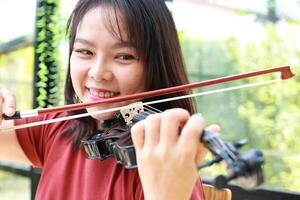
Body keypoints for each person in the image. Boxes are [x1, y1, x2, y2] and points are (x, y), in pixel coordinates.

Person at [0, 0, 219, 199]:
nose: (98, 72)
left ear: (156, 65)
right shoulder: (58, 126)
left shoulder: (165, 161)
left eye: (124, 56)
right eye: (85, 51)